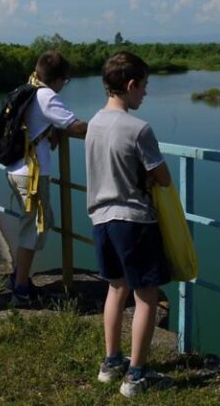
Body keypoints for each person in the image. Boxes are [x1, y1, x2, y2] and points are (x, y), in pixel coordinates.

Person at [85, 52, 174, 398]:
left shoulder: (93, 123)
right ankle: (136, 376)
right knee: (146, 297)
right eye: (144, 86)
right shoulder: (139, 129)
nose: (146, 94)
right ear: (131, 84)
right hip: (134, 222)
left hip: (101, 220)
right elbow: (163, 177)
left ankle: (111, 364)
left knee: (115, 289)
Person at [5, 50, 87, 306]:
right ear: (59, 79)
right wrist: (106, 128)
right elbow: (74, 126)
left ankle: (17, 277)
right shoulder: (47, 95)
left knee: (40, 222)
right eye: (65, 81)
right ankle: (20, 289)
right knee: (34, 228)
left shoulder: (27, 88)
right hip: (31, 175)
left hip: (16, 169)